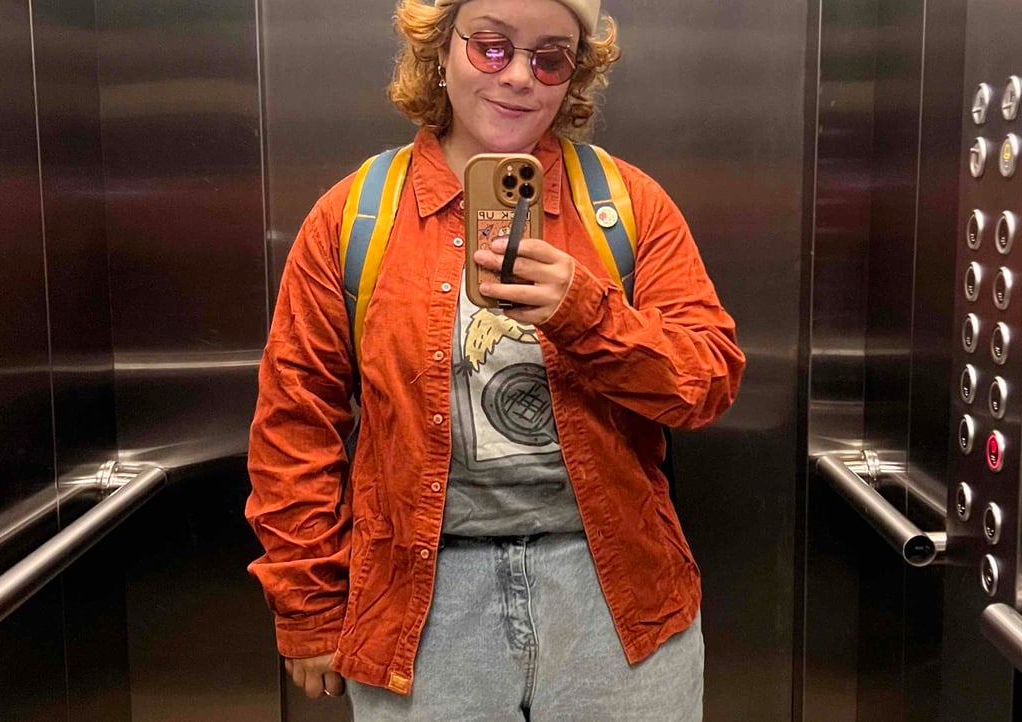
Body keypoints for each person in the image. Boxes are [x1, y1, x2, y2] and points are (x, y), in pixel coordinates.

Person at [245, 0, 745, 718]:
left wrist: (585, 312)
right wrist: (308, 607)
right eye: (491, 46)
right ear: (440, 51)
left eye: (551, 57)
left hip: (615, 595)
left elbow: (708, 381)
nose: (518, 76)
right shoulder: (356, 217)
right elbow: (296, 421)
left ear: (574, 75)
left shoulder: (626, 205)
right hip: (421, 602)